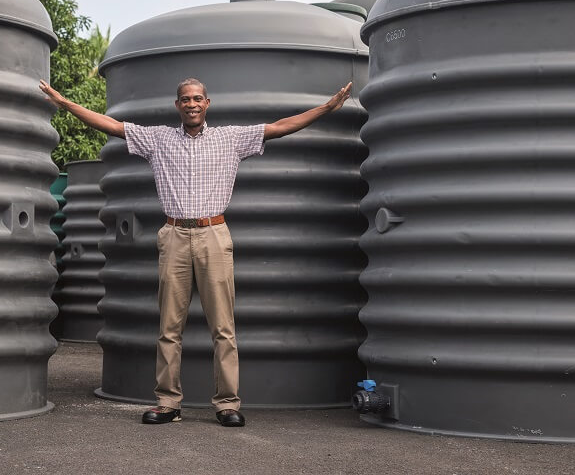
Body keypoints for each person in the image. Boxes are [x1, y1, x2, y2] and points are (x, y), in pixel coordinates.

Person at [39, 77, 352, 427]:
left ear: (207, 103)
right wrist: (64, 102)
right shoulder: (157, 139)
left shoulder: (230, 138)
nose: (191, 104)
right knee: (169, 327)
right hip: (173, 234)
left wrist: (327, 108)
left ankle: (227, 404)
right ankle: (168, 403)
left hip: (214, 234)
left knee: (223, 327)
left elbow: (278, 127)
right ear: (178, 106)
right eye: (185, 99)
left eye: (197, 98)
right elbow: (111, 125)